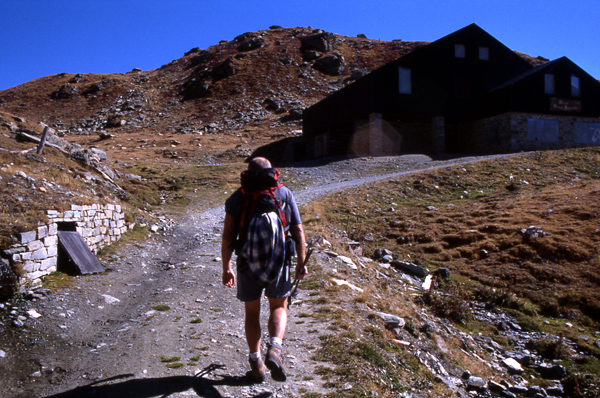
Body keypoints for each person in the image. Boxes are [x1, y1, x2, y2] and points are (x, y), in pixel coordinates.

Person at [221, 157, 306, 382]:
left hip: (247, 261)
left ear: (248, 173)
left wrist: (226, 267)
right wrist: (301, 262)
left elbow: (228, 236)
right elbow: (297, 229)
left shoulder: (238, 197)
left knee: (252, 312)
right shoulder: (283, 194)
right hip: (279, 260)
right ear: (271, 172)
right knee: (279, 305)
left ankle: (256, 363)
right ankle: (275, 349)